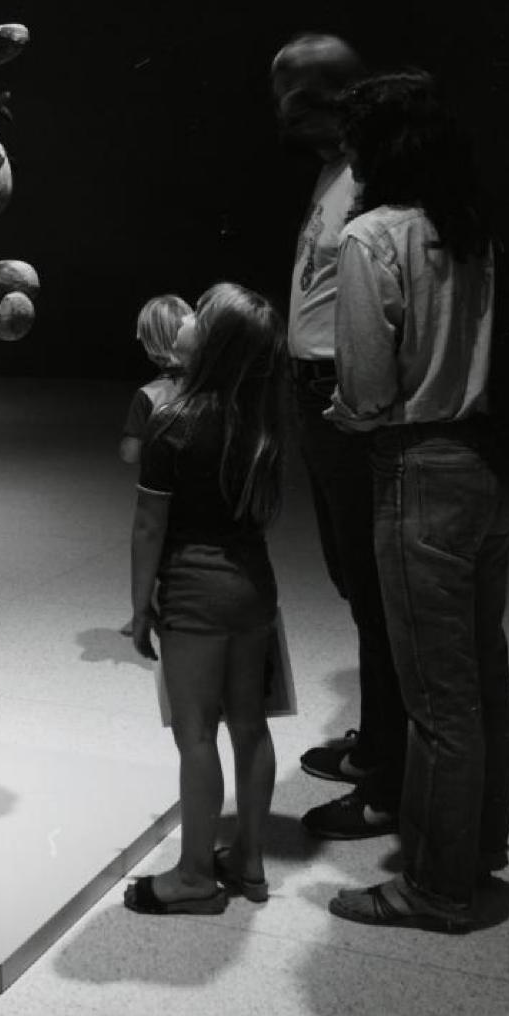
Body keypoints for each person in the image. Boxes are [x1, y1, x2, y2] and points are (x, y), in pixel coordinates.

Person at [325, 69, 509, 933]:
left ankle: (436, 888)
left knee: (436, 701)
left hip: (418, 472)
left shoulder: (371, 238)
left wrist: (339, 406)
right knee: (484, 677)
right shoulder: (469, 230)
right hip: (487, 470)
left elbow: (366, 394)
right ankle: (476, 849)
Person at [270, 32, 408, 839]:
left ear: (326, 98)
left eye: (290, 96)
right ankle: (379, 742)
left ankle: (388, 771)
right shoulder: (335, 170)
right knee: (356, 581)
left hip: (346, 403)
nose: (279, 114)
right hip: (318, 398)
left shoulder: (377, 175)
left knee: (376, 584)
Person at [124, 283, 288, 915]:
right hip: (254, 593)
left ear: (211, 340)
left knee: (195, 735)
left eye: (201, 312)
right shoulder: (264, 424)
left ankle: (194, 877)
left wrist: (140, 610)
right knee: (250, 726)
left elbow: (148, 527)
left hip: (193, 597)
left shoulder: (171, 424)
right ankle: (248, 860)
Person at [119, 294, 193, 465]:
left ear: (149, 341)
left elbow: (130, 454)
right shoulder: (215, 382)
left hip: (163, 487)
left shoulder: (149, 395)